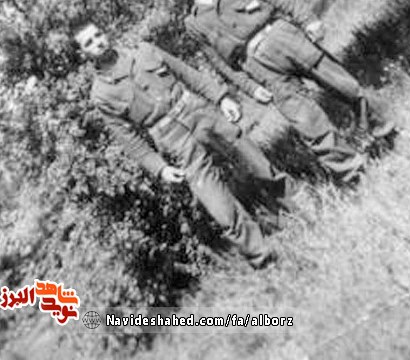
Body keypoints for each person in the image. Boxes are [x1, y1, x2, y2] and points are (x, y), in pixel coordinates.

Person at [72, 20, 293, 268]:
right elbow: (129, 140)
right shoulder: (101, 95)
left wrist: (221, 98)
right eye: (89, 42)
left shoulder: (143, 50)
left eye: (98, 35)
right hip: (173, 139)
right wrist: (160, 168)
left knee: (256, 162)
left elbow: (187, 73)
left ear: (105, 33)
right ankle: (264, 258)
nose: (98, 43)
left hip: (199, 113)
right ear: (83, 53)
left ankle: (294, 210)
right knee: (220, 207)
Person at [155, 0, 394, 181]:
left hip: (284, 37)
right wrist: (251, 88)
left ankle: (382, 128)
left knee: (343, 84)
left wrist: (307, 19)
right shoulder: (193, 23)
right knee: (306, 120)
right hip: (258, 65)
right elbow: (220, 64)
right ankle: (354, 171)